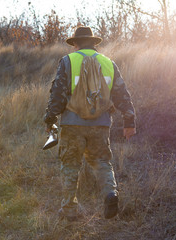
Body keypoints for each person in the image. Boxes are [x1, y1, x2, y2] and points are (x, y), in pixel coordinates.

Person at [44, 26, 136, 221]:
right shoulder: (108, 63)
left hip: (72, 124)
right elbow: (122, 95)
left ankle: (69, 210)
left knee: (70, 165)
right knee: (102, 162)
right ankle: (110, 194)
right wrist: (129, 121)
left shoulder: (68, 61)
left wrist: (50, 119)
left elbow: (57, 95)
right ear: (94, 44)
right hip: (101, 124)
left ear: (75, 44)